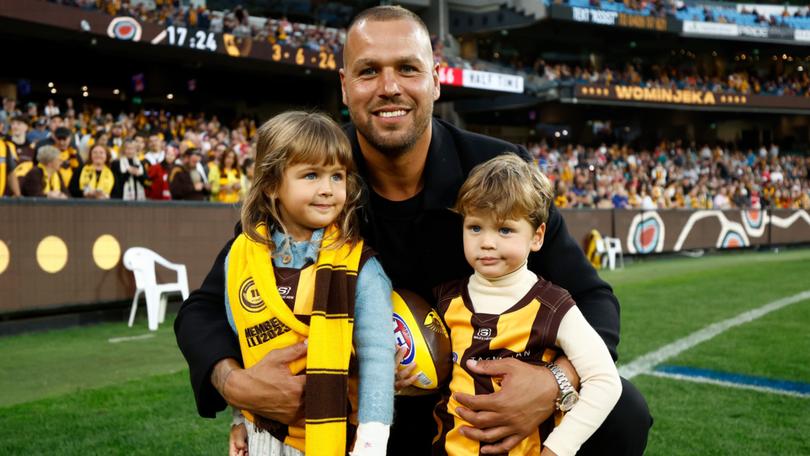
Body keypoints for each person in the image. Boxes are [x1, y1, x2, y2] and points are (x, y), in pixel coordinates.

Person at [175, 5, 650, 456]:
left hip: (479, 410)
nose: (389, 87)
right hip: (356, 416)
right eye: (368, 71)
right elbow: (202, 310)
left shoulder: (498, 170)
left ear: (435, 80)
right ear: (344, 86)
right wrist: (235, 384)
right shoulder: (312, 173)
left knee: (622, 412)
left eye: (407, 68)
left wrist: (554, 383)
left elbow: (592, 299)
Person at [221, 111, 394, 456]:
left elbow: (378, 356)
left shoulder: (362, 267)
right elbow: (244, 347)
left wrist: (372, 442)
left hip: (333, 436)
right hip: (262, 431)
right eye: (311, 175)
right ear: (271, 184)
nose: (327, 190)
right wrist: (240, 415)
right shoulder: (240, 256)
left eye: (336, 176)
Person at [432, 154, 621, 456]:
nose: (487, 242)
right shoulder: (446, 298)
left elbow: (605, 381)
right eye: (476, 228)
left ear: (537, 236)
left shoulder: (553, 306)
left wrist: (559, 448)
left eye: (504, 229)